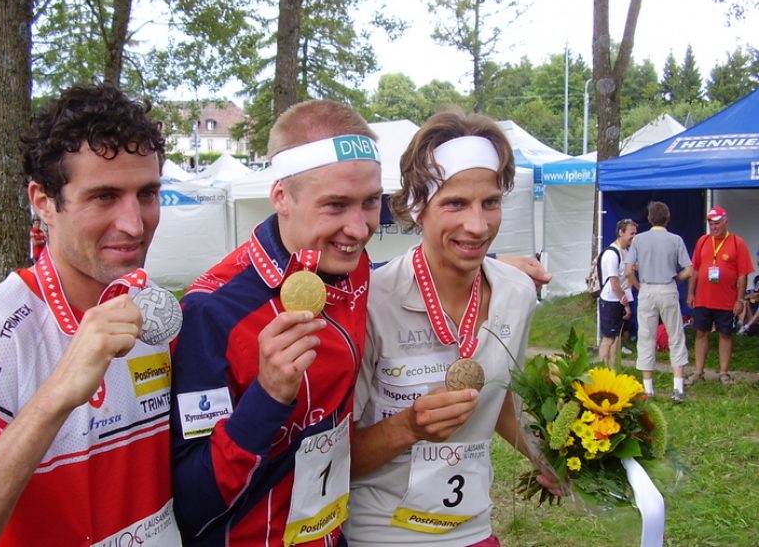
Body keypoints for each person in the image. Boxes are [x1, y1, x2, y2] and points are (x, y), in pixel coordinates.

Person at [168, 101, 551, 546]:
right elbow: (191, 503)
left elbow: (412, 271)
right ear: (280, 197)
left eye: (370, 203)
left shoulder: (354, 275)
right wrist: (267, 398)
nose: (358, 228)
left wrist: (488, 261)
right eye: (335, 205)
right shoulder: (211, 312)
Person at [0, 84, 180, 546]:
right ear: (44, 201)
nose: (135, 224)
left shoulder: (149, 307)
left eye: (147, 194)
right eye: (104, 197)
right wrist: (54, 397)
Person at [346, 111, 558, 546]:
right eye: (455, 203)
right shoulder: (372, 302)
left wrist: (552, 458)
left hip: (472, 526)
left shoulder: (516, 293)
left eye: (491, 202)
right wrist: (408, 427)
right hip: (383, 533)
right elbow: (335, 456)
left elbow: (499, 403)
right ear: (418, 208)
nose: (478, 226)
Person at [625, 201, 693, 403]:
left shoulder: (639, 240)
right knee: (675, 336)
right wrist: (676, 277)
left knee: (646, 337)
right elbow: (689, 270)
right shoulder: (676, 240)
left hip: (647, 289)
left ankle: (648, 389)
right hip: (667, 288)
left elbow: (628, 271)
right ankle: (678, 388)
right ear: (667, 219)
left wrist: (638, 286)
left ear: (649, 219)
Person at [685, 206, 754, 385]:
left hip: (726, 299)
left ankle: (724, 373)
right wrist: (691, 292)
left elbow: (742, 274)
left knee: (725, 334)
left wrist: (739, 299)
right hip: (703, 297)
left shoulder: (737, 243)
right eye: (710, 223)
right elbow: (696, 269)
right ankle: (698, 371)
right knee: (701, 332)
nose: (713, 227)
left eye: (716, 223)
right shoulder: (703, 241)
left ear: (725, 222)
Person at [598, 218, 638, 368]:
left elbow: (626, 278)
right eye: (631, 233)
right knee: (608, 338)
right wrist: (626, 304)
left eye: (635, 233)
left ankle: (612, 369)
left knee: (616, 338)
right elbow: (615, 284)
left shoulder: (626, 251)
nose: (634, 237)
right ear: (621, 232)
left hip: (618, 299)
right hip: (610, 300)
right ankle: (600, 370)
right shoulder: (611, 254)